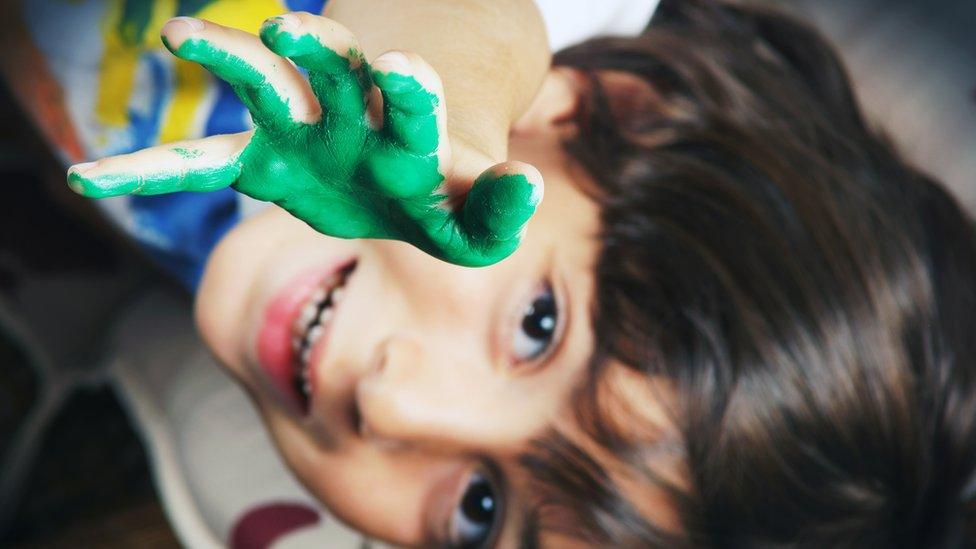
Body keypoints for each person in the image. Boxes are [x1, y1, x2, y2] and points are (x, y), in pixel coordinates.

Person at [9, 0, 976, 546]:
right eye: (538, 326)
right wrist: (450, 107)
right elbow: (466, 27)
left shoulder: (290, 282)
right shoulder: (523, 35)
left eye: (479, 515)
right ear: (600, 113)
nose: (392, 405)